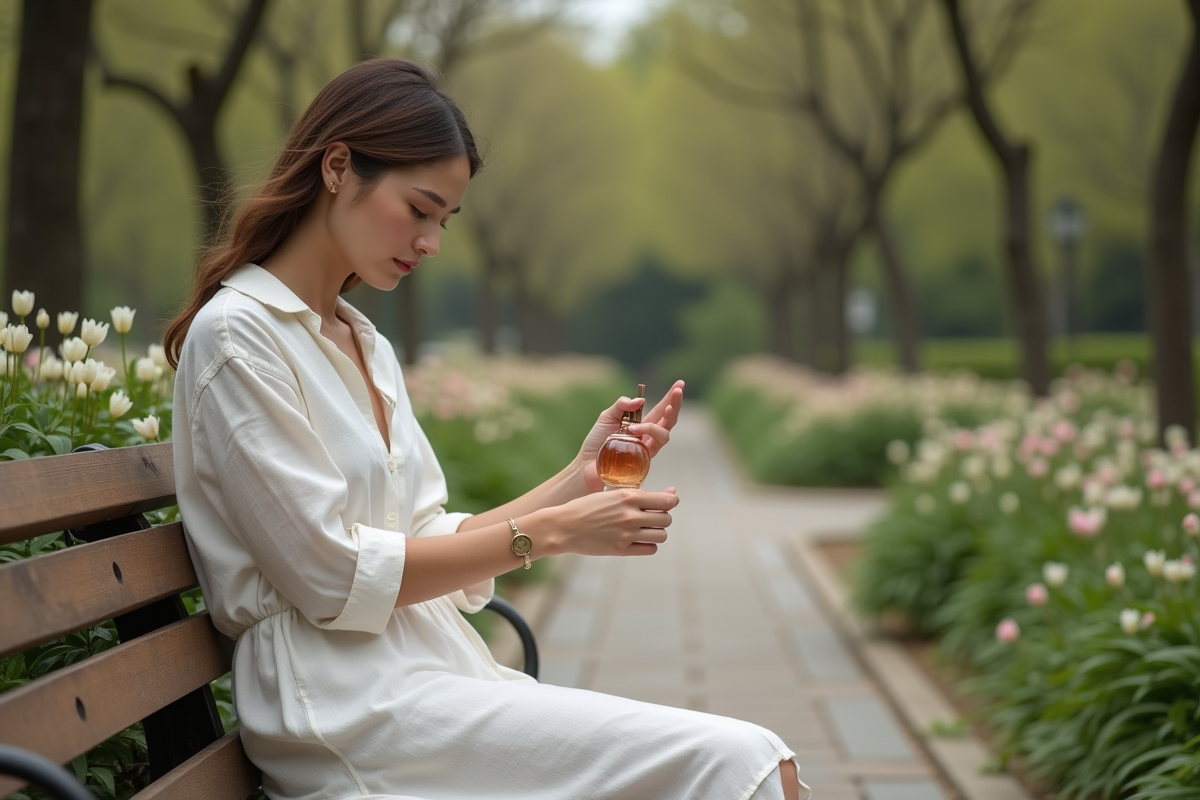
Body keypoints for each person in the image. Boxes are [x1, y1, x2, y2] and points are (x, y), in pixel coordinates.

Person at [166, 58, 809, 800]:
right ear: (338, 167)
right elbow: (333, 580)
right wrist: (557, 532)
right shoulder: (239, 338)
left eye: (444, 220)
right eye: (419, 209)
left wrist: (579, 478)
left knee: (753, 765)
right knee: (747, 765)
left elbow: (425, 542)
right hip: (343, 707)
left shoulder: (361, 343)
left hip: (433, 676)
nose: (432, 242)